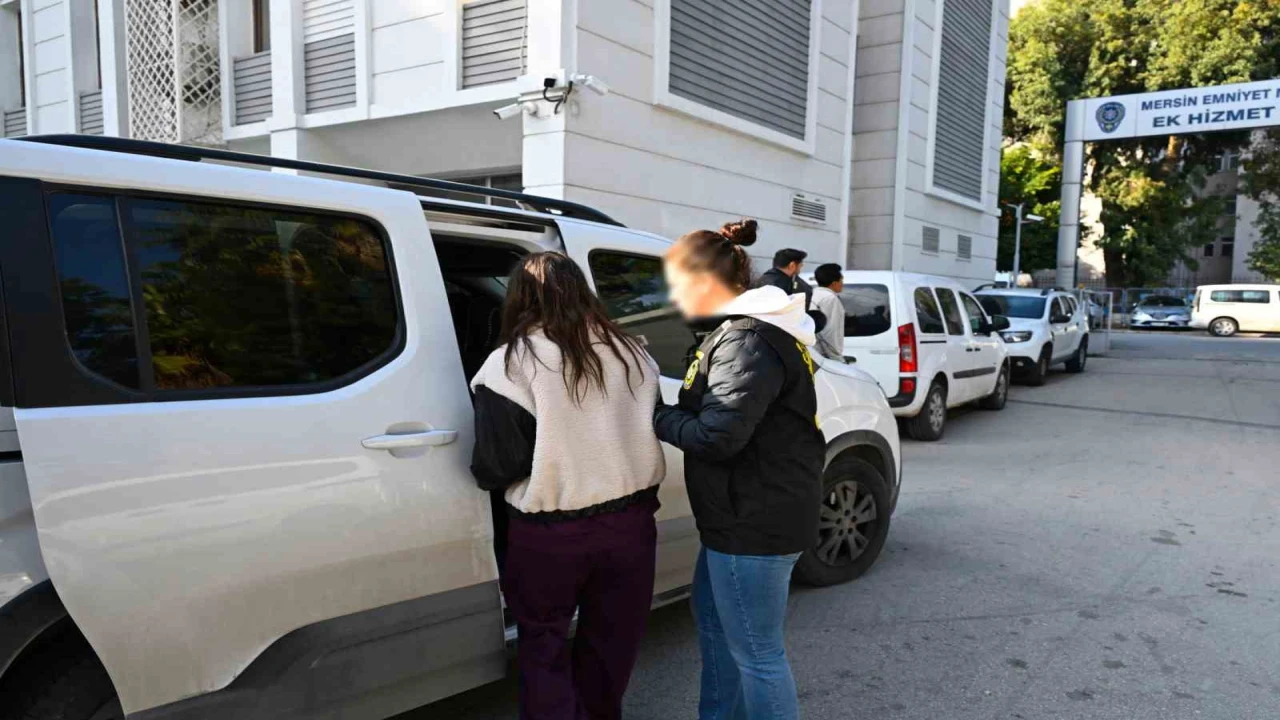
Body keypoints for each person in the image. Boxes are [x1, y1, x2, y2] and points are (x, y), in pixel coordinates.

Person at [470, 252, 666, 720]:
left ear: (521, 297)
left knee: (544, 644)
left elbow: (498, 465)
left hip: (551, 536)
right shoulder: (633, 353)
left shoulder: (512, 363)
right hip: (632, 526)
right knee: (613, 641)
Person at [653, 219, 824, 720]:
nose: (674, 297)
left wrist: (654, 414)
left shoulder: (747, 340)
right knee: (716, 631)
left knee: (757, 655)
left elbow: (717, 436)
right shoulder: (742, 332)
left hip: (754, 521)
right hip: (737, 517)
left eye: (679, 285)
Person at [756, 247, 826, 333]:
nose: (800, 269)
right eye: (800, 266)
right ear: (792, 265)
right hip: (777, 333)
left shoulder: (760, 279)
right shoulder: (787, 284)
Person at [811, 263, 846, 361]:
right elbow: (830, 332)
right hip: (823, 356)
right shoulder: (829, 299)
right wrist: (837, 359)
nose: (842, 283)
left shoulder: (813, 294)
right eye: (841, 280)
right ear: (834, 283)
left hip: (813, 352)